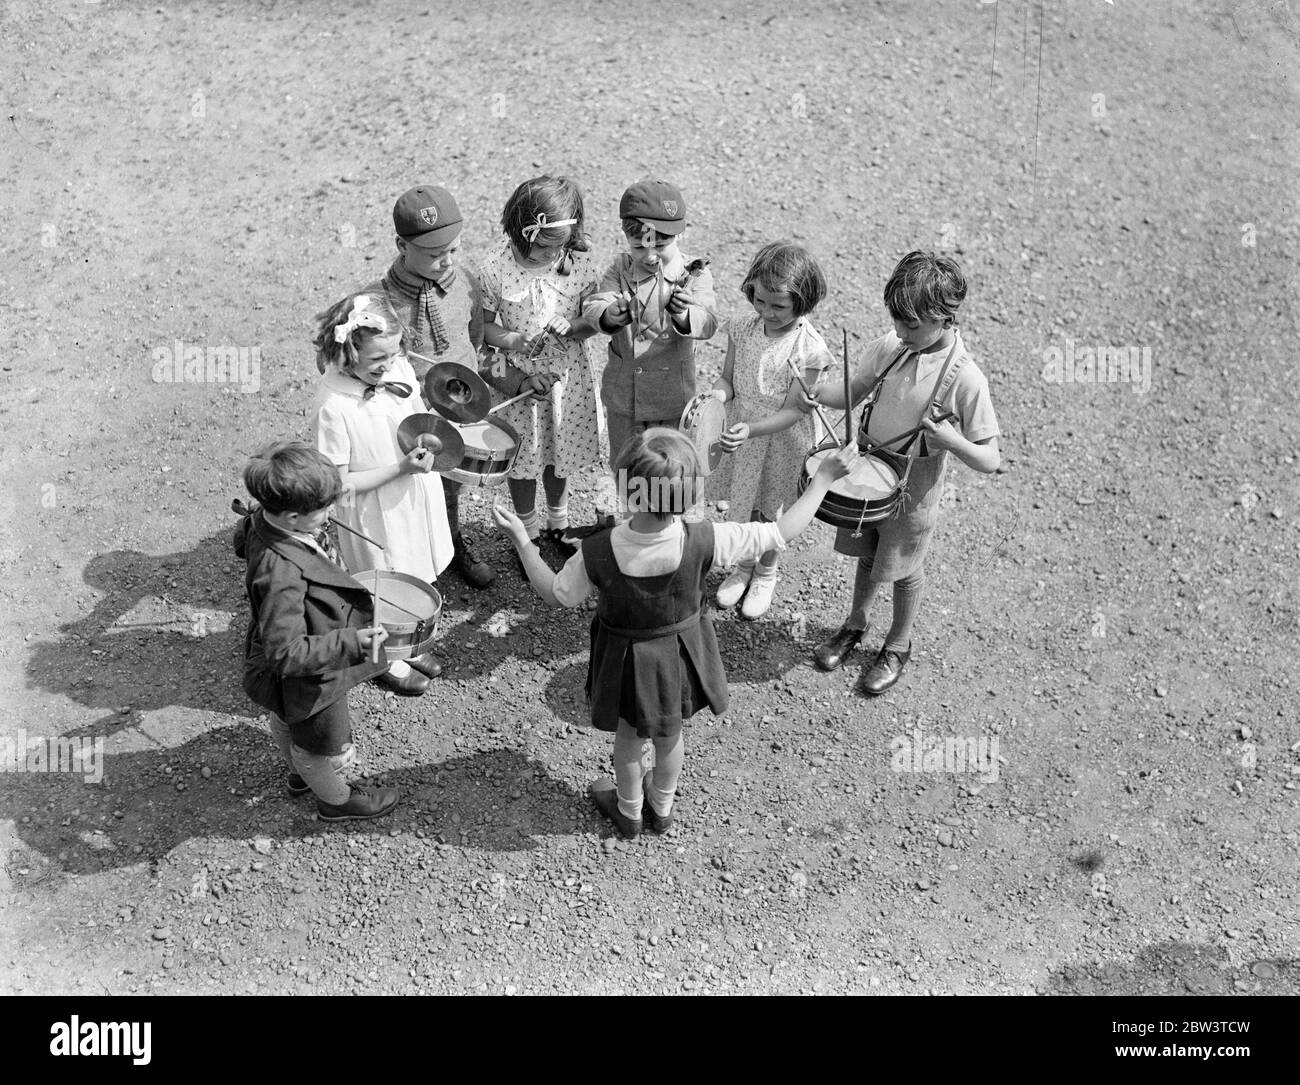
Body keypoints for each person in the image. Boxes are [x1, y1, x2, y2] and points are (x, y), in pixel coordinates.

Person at [493, 428, 856, 839]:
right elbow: (780, 532)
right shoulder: (706, 538)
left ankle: (628, 812)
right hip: (681, 658)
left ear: (625, 489)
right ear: (690, 494)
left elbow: (556, 594)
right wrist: (823, 479)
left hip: (626, 662)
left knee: (629, 738)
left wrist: (523, 542)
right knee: (670, 735)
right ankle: (661, 808)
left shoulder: (596, 550)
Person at [800, 251, 1001, 694]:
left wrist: (952, 441)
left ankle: (898, 643)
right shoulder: (893, 347)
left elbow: (991, 459)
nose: (900, 331)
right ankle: (855, 625)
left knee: (905, 566)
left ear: (946, 317)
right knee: (869, 553)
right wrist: (817, 393)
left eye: (911, 325)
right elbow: (854, 389)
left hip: (916, 486)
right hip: (868, 471)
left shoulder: (967, 380)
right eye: (896, 320)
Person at [324, 184, 541, 589]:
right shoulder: (375, 303)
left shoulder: (468, 287)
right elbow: (354, 365)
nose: (446, 262)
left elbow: (480, 351)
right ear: (400, 245)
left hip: (455, 416)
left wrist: (518, 381)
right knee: (405, 497)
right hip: (400, 424)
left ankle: (452, 544)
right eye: (434, 253)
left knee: (448, 488)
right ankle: (403, 571)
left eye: (453, 250)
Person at [234, 441, 401, 821]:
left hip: (291, 673)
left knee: (286, 717)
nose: (331, 512)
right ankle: (335, 800)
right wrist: (351, 641)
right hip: (307, 674)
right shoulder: (281, 574)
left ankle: (299, 777)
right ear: (292, 517)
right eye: (323, 509)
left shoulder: (268, 518)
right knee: (316, 746)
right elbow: (286, 653)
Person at [312, 291, 447, 696]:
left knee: (416, 569)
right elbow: (337, 486)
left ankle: (409, 638)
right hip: (374, 511)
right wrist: (400, 468)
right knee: (384, 583)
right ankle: (386, 657)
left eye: (392, 355)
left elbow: (415, 416)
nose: (387, 366)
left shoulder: (399, 368)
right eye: (376, 361)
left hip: (411, 495)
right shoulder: (333, 406)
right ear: (347, 353)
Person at [477, 175, 608, 560]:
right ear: (523, 230)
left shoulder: (580, 261)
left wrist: (576, 326)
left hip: (567, 377)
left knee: (560, 450)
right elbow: (484, 328)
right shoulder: (494, 267)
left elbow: (593, 318)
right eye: (546, 247)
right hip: (518, 378)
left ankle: (559, 521)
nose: (554, 254)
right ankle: (528, 531)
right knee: (523, 459)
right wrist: (515, 340)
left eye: (561, 245)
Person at [711, 241, 834, 619]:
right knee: (743, 502)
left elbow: (795, 411)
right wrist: (716, 395)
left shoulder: (809, 349)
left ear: (805, 302)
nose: (767, 312)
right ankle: (743, 566)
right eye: (760, 301)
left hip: (779, 440)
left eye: (779, 306)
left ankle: (765, 571)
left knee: (769, 512)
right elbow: (728, 379)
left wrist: (751, 429)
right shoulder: (743, 328)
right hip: (743, 432)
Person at [583, 180, 717, 468]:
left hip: (672, 397)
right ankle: (632, 513)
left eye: (661, 245)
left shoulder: (693, 273)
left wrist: (683, 316)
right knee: (627, 465)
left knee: (670, 467)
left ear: (679, 234)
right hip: (626, 397)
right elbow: (594, 304)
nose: (650, 255)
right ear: (626, 238)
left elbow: (709, 322)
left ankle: (666, 513)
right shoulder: (621, 268)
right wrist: (609, 314)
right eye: (639, 247)